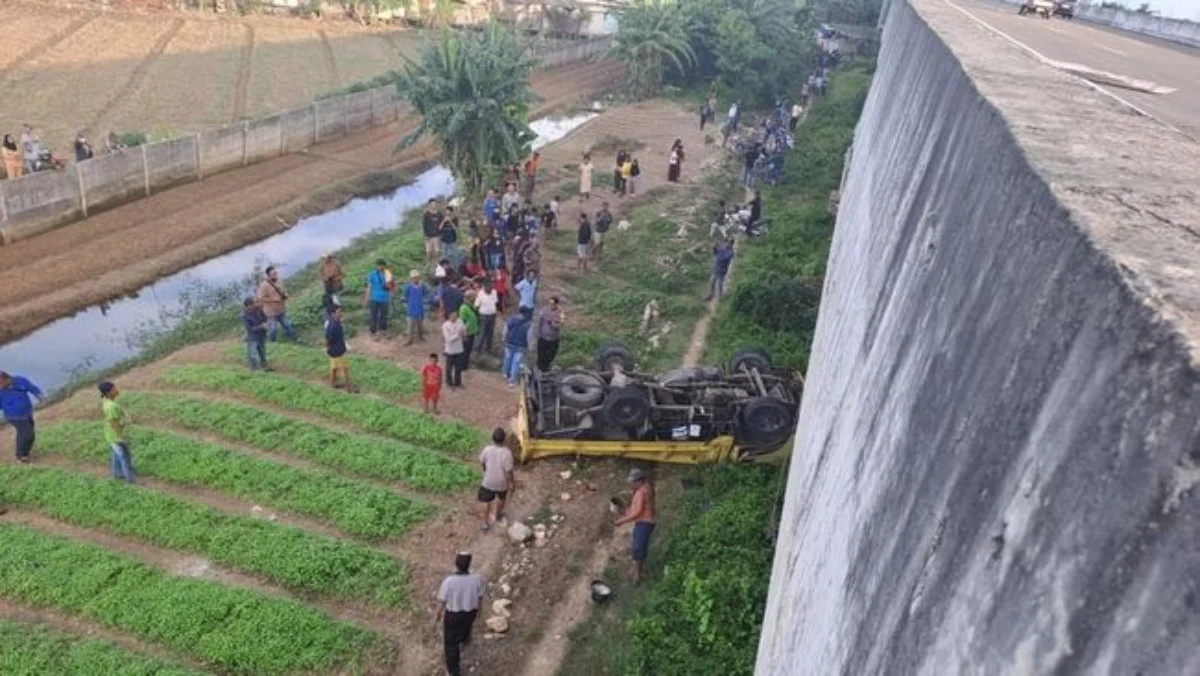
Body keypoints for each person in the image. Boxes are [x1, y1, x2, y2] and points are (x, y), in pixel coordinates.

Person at [437, 551, 486, 676]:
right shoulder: (476, 580)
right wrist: (480, 611)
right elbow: (480, 597)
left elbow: (442, 600)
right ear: (469, 564)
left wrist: (438, 614)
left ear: (456, 563)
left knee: (451, 644)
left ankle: (454, 671)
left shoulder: (449, 581)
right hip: (470, 613)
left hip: (453, 615)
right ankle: (465, 640)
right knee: (466, 627)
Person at [615, 468, 656, 585]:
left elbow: (637, 512)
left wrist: (622, 520)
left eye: (633, 482)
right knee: (637, 548)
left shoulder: (641, 492)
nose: (631, 484)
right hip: (644, 522)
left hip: (644, 523)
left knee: (638, 549)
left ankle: (638, 576)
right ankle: (637, 571)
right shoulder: (646, 487)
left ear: (639, 481)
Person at [1, 371, 42, 463]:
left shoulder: (20, 381)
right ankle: (21, 456)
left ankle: (25, 453)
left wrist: (40, 397)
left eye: (1, 383)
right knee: (26, 433)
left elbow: (33, 388)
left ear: (7, 379)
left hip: (27, 413)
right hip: (14, 416)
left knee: (29, 434)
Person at [478, 428, 515, 530]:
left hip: (488, 481)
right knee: (501, 499)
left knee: (486, 502)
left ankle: (485, 523)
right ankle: (498, 516)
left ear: (492, 438)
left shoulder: (487, 449)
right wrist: (512, 483)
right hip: (501, 482)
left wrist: (485, 469)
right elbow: (509, 471)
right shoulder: (507, 453)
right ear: (504, 439)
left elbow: (482, 461)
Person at [99, 381, 135, 484]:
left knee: (117, 455)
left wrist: (125, 414)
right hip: (116, 436)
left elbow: (116, 412)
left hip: (110, 435)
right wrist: (122, 437)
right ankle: (130, 480)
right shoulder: (111, 407)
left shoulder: (106, 401)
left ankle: (116, 475)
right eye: (114, 389)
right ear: (108, 392)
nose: (117, 390)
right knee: (124, 457)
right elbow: (114, 423)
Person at [257, 265, 295, 342]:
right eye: (273, 274)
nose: (276, 275)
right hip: (271, 313)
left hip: (281, 310)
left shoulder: (280, 281)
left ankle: (292, 340)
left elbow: (282, 291)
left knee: (287, 325)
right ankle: (272, 343)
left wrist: (285, 295)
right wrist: (274, 300)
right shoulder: (264, 285)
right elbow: (261, 298)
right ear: (269, 275)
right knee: (274, 329)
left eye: (276, 273)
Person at [322, 305, 355, 391]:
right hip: (337, 351)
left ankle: (332, 383)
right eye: (338, 312)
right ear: (332, 314)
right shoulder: (332, 327)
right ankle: (348, 387)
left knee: (334, 367)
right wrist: (328, 347)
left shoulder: (335, 322)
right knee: (344, 368)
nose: (341, 314)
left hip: (335, 350)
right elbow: (328, 339)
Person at [502, 307, 533, 388]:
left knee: (508, 358)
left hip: (509, 343)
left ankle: (505, 373)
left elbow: (505, 330)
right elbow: (529, 336)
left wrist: (503, 339)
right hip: (521, 346)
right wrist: (530, 347)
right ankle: (512, 381)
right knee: (516, 362)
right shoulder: (528, 324)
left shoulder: (511, 319)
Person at [363, 259, 393, 339]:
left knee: (384, 316)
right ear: (376, 266)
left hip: (385, 299)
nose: (380, 267)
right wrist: (366, 298)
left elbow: (391, 286)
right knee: (373, 316)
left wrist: (390, 296)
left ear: (384, 266)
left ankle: (383, 330)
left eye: (382, 265)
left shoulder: (388, 274)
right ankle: (373, 332)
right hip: (374, 298)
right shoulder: (372, 274)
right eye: (378, 265)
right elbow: (369, 287)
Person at [535, 297, 563, 372]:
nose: (550, 305)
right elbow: (539, 321)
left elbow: (560, 324)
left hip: (553, 338)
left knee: (551, 355)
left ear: (556, 304)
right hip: (543, 337)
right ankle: (539, 369)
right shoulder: (544, 310)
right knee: (541, 355)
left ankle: (546, 367)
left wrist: (551, 322)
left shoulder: (560, 312)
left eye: (552, 304)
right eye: (550, 303)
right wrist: (539, 332)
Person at [241, 297, 269, 370]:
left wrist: (266, 324)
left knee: (262, 351)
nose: (255, 305)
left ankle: (263, 365)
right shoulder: (244, 315)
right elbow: (250, 329)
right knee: (253, 353)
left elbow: (265, 318)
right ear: (248, 306)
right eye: (253, 304)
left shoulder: (258, 310)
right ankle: (254, 368)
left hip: (261, 334)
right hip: (252, 336)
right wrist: (261, 326)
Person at [403, 270, 428, 345]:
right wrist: (408, 303)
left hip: (420, 308)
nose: (415, 279)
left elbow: (426, 293)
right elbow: (405, 296)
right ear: (411, 279)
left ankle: (420, 336)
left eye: (417, 278)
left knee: (420, 324)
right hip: (411, 308)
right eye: (414, 278)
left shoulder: (422, 286)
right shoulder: (408, 287)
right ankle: (409, 339)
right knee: (410, 325)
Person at [442, 309, 466, 388]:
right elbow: (448, 339)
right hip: (450, 350)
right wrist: (457, 335)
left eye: (456, 316)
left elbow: (463, 331)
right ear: (449, 316)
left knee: (458, 367)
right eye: (453, 316)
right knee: (449, 367)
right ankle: (449, 383)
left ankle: (458, 382)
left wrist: (464, 333)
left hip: (459, 348)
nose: (455, 318)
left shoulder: (460, 322)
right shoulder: (445, 325)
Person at [475, 278, 499, 355]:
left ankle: (488, 349)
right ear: (484, 286)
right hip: (483, 316)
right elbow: (476, 305)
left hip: (492, 315)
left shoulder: (494, 292)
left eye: (491, 286)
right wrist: (478, 316)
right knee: (482, 333)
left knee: (490, 333)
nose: (490, 288)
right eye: (488, 286)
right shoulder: (480, 293)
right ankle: (478, 349)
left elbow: (495, 302)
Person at [459, 294, 479, 370]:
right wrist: (464, 332)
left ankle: (465, 364)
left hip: (472, 331)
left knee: (469, 349)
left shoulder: (471, 306)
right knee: (465, 349)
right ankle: (462, 365)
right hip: (467, 332)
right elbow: (463, 321)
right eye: (473, 298)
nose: (475, 299)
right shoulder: (463, 308)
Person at [422, 199, 442, 266]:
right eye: (432, 204)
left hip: (437, 235)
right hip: (429, 236)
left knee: (437, 250)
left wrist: (440, 233)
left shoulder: (439, 213)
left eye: (435, 204)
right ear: (429, 205)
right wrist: (426, 235)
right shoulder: (426, 214)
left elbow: (441, 223)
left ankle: (437, 262)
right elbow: (424, 225)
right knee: (429, 251)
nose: (434, 205)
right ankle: (428, 263)